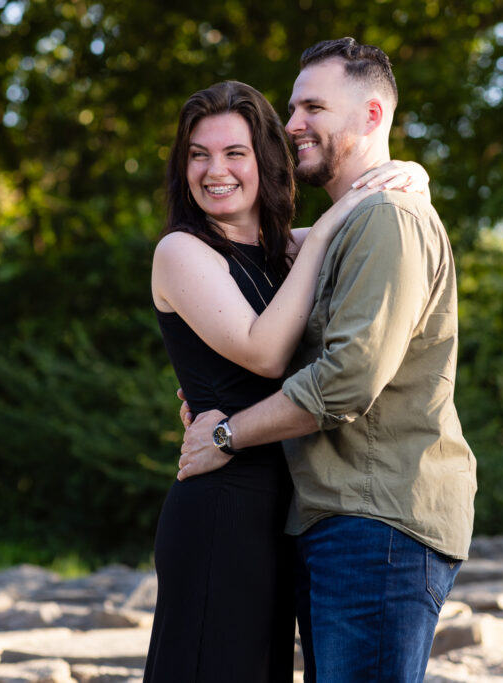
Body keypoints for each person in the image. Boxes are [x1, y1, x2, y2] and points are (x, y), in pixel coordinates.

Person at [180, 38, 477, 682]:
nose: (291, 126)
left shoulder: (387, 221)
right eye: (292, 108)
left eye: (313, 106)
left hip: (377, 523)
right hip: (341, 520)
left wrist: (227, 434)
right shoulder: (351, 222)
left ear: (372, 116)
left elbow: (346, 382)